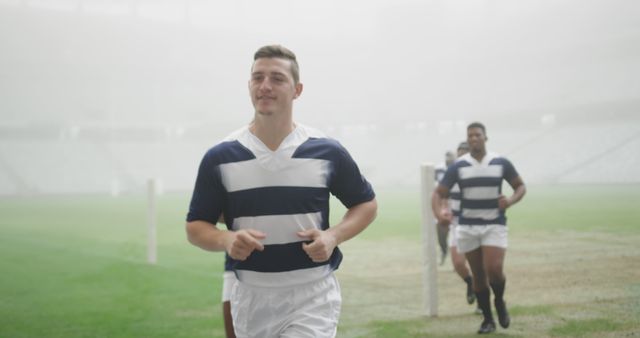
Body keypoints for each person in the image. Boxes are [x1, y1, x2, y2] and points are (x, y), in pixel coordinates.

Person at [186, 45, 377, 338]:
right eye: (257, 77)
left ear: (297, 89)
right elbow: (195, 227)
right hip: (251, 298)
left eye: (276, 78)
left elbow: (366, 204)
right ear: (249, 85)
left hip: (312, 295)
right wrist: (226, 238)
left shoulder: (326, 151)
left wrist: (332, 236)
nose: (265, 86)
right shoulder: (221, 157)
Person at [432, 122, 526, 334]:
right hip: (467, 227)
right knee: (479, 276)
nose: (474, 138)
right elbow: (438, 193)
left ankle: (500, 301)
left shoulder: (500, 162)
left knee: (494, 269)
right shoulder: (458, 166)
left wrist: (510, 201)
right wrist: (440, 215)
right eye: (470, 135)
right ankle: (488, 319)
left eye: (477, 135)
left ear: (485, 137)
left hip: (494, 224)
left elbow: (520, 186)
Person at [444, 141, 480, 312]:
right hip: (456, 223)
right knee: (458, 263)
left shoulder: (478, 174)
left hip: (476, 223)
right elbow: (442, 195)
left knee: (478, 266)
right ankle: (470, 283)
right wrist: (444, 210)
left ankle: (482, 304)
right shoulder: (451, 175)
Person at [434, 151, 456, 265]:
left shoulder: (458, 167)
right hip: (441, 202)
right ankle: (443, 250)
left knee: (456, 231)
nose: (449, 160)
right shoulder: (438, 169)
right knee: (441, 230)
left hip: (455, 202)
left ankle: (456, 258)